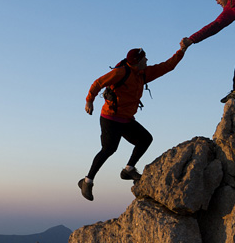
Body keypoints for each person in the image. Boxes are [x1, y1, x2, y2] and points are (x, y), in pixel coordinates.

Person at [78, 45, 186, 201]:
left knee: (145, 139)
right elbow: (98, 83)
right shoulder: (121, 73)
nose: (147, 60)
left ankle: (128, 170)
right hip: (110, 118)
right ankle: (87, 182)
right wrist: (89, 101)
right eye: (145, 58)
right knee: (109, 149)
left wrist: (182, 51)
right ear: (138, 61)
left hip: (126, 119)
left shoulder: (143, 74)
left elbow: (167, 66)